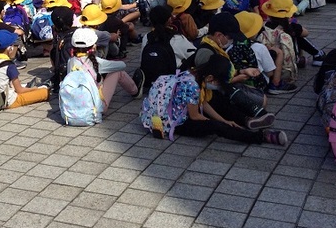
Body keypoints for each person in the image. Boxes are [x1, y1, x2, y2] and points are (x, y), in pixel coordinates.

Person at [141, 53, 287, 146]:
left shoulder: (193, 73)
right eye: (218, 81)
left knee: (218, 110)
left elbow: (202, 102)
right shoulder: (193, 86)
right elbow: (195, 115)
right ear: (211, 77)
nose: (217, 84)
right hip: (176, 122)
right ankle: (260, 137)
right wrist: (221, 124)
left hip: (170, 111)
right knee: (215, 127)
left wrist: (224, 120)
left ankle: (245, 121)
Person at [67, 28, 144, 114]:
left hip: (74, 105)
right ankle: (135, 91)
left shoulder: (71, 61)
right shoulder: (95, 61)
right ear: (94, 46)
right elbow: (122, 65)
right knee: (117, 71)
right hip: (94, 108)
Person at [0, 30, 49, 109]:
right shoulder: (9, 65)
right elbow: (20, 90)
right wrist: (35, 89)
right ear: (9, 48)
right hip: (9, 101)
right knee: (44, 92)